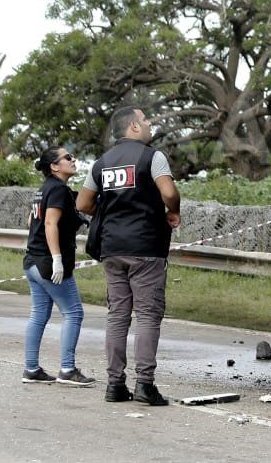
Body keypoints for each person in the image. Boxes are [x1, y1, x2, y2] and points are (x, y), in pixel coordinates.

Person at [77, 106, 180, 407]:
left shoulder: (101, 163)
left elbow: (83, 203)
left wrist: (113, 211)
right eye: (145, 121)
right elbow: (169, 193)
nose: (149, 125)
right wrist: (173, 210)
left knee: (118, 315)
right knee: (147, 314)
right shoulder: (152, 157)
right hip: (146, 247)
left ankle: (115, 384)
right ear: (134, 127)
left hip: (112, 247)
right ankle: (145, 384)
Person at [22, 146, 96, 387]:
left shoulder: (43, 189)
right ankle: (67, 369)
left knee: (39, 315)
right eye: (67, 157)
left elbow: (31, 220)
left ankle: (31, 369)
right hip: (48, 264)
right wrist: (56, 258)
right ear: (54, 166)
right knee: (74, 312)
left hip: (32, 261)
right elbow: (49, 224)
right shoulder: (58, 189)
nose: (73, 159)